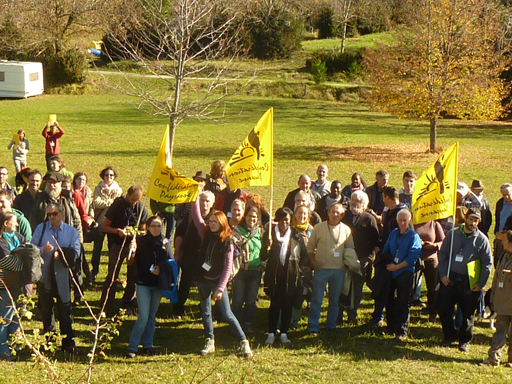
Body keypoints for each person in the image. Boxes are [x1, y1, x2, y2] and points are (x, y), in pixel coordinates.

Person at [191, 200, 252, 357]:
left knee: (227, 313)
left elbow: (227, 268)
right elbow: (197, 217)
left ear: (222, 222)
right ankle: (209, 340)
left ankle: (243, 342)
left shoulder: (228, 241)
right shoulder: (206, 233)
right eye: (210, 221)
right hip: (203, 280)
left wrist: (220, 288)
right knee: (205, 312)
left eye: (215, 222)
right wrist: (195, 199)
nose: (211, 224)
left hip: (217, 282)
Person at [437, 208, 492, 352]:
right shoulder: (452, 235)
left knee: (468, 314)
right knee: (443, 308)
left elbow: (487, 264)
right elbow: (442, 255)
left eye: (476, 220)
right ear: (465, 219)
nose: (473, 223)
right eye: (471, 219)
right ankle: (449, 336)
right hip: (450, 278)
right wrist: (443, 275)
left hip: (469, 281)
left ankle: (464, 341)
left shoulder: (482, 240)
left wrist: (480, 284)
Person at [31, 202, 82, 354]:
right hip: (44, 276)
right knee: (47, 310)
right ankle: (50, 341)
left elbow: (76, 251)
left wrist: (61, 255)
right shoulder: (41, 229)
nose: (51, 217)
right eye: (49, 215)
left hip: (62, 276)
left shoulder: (71, 231)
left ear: (62, 214)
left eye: (54, 214)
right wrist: (42, 250)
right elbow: (32, 248)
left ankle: (68, 342)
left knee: (64, 310)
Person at [307, 203, 357, 334]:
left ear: (342, 215)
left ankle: (330, 325)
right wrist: (313, 262)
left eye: (338, 213)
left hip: (338, 271)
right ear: (328, 212)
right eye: (333, 212)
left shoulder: (346, 230)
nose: (335, 215)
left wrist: (346, 266)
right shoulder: (318, 228)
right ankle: (313, 326)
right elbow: (310, 247)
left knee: (334, 301)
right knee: (317, 300)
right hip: (321, 269)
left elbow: (350, 249)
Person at [126, 216, 172, 358]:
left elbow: (171, 263)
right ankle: (132, 347)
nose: (156, 229)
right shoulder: (140, 241)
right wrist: (132, 251)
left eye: (159, 226)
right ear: (147, 226)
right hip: (143, 283)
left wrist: (161, 269)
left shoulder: (165, 242)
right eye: (153, 226)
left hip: (157, 285)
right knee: (143, 316)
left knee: (151, 316)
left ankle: (148, 345)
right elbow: (130, 262)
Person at [262, 207, 308, 345]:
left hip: (290, 278)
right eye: (281, 220)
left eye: (286, 220)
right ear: (277, 220)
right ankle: (271, 332)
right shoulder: (270, 235)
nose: (283, 223)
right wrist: (266, 247)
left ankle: (284, 333)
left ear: (290, 221)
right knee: (274, 305)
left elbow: (304, 256)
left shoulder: (296, 236)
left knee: (288, 305)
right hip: (274, 277)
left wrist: (300, 270)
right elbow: (262, 256)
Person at [99, 185, 148, 315]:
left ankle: (127, 305)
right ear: (127, 195)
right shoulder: (117, 205)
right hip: (117, 244)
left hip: (133, 247)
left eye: (137, 200)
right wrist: (117, 231)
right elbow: (105, 226)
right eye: (132, 199)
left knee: (133, 276)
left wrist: (136, 234)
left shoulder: (141, 209)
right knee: (112, 276)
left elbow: (143, 230)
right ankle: (105, 306)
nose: (134, 202)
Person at [173, 190, 215, 318]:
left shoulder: (215, 218)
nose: (204, 204)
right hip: (190, 254)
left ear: (212, 203)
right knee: (185, 281)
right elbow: (180, 233)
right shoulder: (190, 215)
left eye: (207, 201)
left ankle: (204, 309)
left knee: (205, 282)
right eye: (202, 200)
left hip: (206, 258)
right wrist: (177, 252)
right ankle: (178, 308)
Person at [381, 209, 421, 342]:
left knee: (403, 301)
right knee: (389, 298)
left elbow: (413, 256)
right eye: (400, 220)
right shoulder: (393, 233)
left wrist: (397, 266)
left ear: (409, 221)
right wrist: (389, 263)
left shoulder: (414, 236)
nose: (402, 223)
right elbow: (386, 248)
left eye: (405, 220)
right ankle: (391, 326)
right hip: (392, 270)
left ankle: (402, 330)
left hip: (405, 271)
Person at [340, 190, 379, 324]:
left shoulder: (369, 219)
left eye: (358, 201)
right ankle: (338, 315)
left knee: (357, 289)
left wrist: (368, 259)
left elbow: (374, 241)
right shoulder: (345, 217)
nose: (354, 203)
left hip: (361, 260)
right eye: (353, 200)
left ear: (364, 204)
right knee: (342, 287)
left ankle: (352, 314)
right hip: (344, 258)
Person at [479, 230, 512, 367]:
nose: (502, 241)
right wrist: (492, 298)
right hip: (502, 302)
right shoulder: (504, 256)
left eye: (504, 240)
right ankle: (493, 358)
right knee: (499, 332)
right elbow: (496, 278)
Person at [231, 206, 265, 333]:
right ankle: (235, 324)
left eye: (254, 217)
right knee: (238, 299)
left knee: (251, 300)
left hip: (256, 270)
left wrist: (263, 265)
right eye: (249, 216)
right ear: (244, 217)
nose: (252, 219)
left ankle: (247, 323)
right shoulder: (237, 231)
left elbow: (265, 252)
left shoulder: (261, 232)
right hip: (240, 271)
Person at [0, 211, 25, 361]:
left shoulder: (17, 238)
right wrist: (24, 262)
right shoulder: (1, 242)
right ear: (5, 223)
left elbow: (29, 252)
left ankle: (14, 346)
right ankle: (3, 350)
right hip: (4, 285)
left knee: (16, 317)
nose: (17, 224)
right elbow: (9, 263)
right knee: (4, 319)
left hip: (17, 284)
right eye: (14, 221)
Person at [90, 166, 123, 281]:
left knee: (112, 250)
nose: (109, 177)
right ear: (102, 176)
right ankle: (94, 271)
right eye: (106, 175)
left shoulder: (118, 190)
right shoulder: (98, 188)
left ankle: (112, 273)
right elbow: (96, 203)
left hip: (112, 225)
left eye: (111, 175)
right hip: (99, 224)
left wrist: (106, 202)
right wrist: (111, 202)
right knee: (97, 249)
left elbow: (117, 205)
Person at [413, 220, 445, 322]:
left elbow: (443, 241)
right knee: (411, 286)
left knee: (433, 287)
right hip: (415, 259)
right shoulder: (412, 223)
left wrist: (435, 245)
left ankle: (433, 312)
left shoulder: (434, 224)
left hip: (431, 259)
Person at [494, 183, 512, 266]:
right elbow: (497, 218)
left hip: (510, 238)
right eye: (504, 195)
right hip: (500, 236)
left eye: (508, 194)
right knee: (498, 260)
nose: (506, 197)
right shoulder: (500, 203)